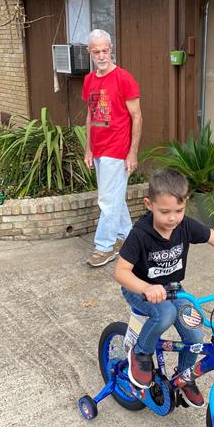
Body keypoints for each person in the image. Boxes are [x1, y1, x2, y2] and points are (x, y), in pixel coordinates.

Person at [114, 168, 214, 408]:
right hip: (139, 289)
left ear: (185, 204)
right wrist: (146, 287)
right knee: (165, 313)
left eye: (178, 211)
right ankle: (140, 354)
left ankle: (185, 376)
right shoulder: (141, 234)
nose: (172, 218)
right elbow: (121, 272)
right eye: (164, 211)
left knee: (196, 334)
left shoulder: (185, 226)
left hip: (175, 290)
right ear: (149, 204)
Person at [83, 29, 142, 268]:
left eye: (105, 50)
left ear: (111, 49)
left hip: (117, 150)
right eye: (96, 51)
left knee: (107, 201)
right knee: (115, 199)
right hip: (98, 149)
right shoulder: (89, 80)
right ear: (90, 52)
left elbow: (137, 116)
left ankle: (104, 247)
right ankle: (129, 239)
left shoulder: (124, 78)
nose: (101, 55)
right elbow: (90, 115)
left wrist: (133, 153)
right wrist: (88, 148)